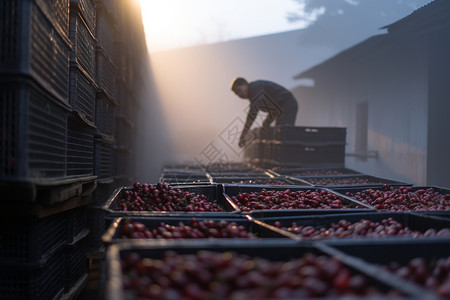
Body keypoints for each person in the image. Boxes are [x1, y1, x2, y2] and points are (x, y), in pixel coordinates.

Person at [230, 77, 298, 148]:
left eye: (239, 90)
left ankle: (289, 151)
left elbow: (252, 114)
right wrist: (266, 123)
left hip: (287, 104)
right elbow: (273, 109)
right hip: (279, 108)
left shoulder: (256, 88)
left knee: (282, 132)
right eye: (236, 94)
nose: (239, 95)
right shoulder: (254, 95)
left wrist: (243, 135)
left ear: (245, 84)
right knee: (269, 128)